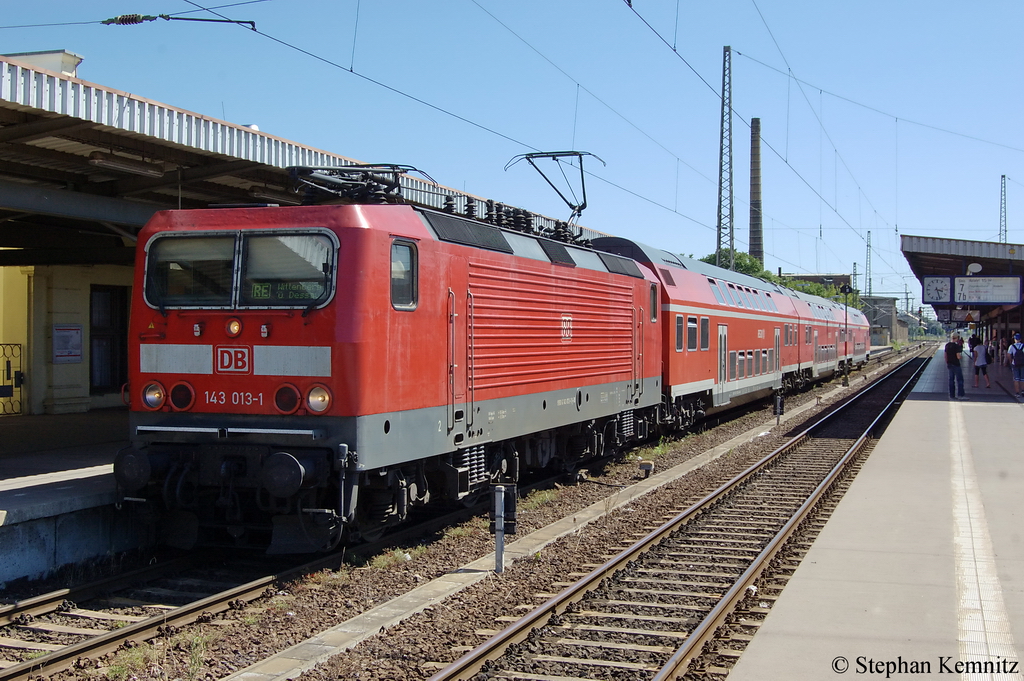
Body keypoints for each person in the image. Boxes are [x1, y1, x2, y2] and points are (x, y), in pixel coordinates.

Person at [945, 332, 967, 400]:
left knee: (951, 380)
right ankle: (961, 395)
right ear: (957, 338)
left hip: (949, 364)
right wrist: (960, 357)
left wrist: (947, 362)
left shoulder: (947, 345)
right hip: (956, 365)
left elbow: (945, 355)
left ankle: (952, 395)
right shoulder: (956, 346)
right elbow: (958, 356)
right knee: (960, 380)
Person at [1007, 333, 1024, 397]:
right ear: (1020, 339)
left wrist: (1011, 361)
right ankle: (1023, 391)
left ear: (1014, 339)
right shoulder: (1023, 346)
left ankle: (1017, 393)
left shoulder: (1012, 346)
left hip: (1015, 364)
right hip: (1023, 364)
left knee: (1016, 379)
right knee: (1022, 378)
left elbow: (1008, 355)